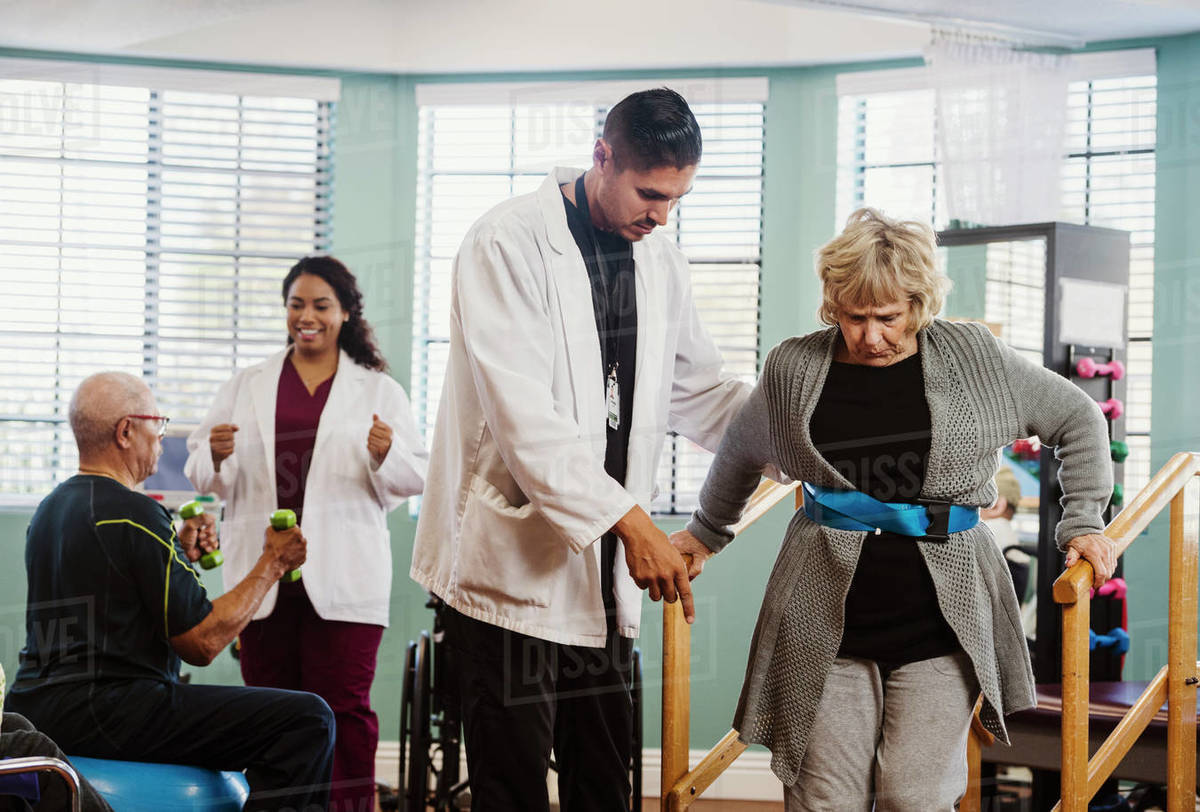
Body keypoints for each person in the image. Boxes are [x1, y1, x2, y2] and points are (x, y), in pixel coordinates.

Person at [670, 208, 1117, 811]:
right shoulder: (795, 367)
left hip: (942, 621)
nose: (872, 336)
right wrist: (704, 532)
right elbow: (741, 451)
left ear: (919, 302)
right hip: (822, 615)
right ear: (833, 305)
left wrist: (1083, 521)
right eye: (855, 317)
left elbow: (1078, 417)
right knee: (825, 800)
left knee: (917, 798)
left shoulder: (972, 356)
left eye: (888, 317)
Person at [411, 87, 750, 811]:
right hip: (508, 579)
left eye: (677, 199)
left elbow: (696, 392)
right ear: (603, 157)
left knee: (604, 785)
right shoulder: (505, 242)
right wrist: (635, 525)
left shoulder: (660, 258)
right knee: (514, 792)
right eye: (651, 194)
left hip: (600, 587)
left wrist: (794, 417)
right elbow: (524, 420)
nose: (662, 216)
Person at [7, 372, 334, 812]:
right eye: (157, 424)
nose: (161, 439)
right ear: (126, 431)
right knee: (308, 720)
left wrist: (174, 550)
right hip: (110, 710)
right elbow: (202, 641)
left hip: (37, 708)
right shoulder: (136, 513)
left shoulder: (49, 510)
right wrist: (272, 562)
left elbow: (107, 586)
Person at [184, 255, 427, 812]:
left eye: (320, 305)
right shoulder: (247, 384)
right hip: (263, 577)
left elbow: (414, 476)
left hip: (344, 580)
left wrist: (386, 454)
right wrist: (214, 455)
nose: (306, 316)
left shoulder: (378, 390)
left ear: (344, 313)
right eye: (297, 305)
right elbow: (202, 470)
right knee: (269, 709)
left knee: (343, 708)